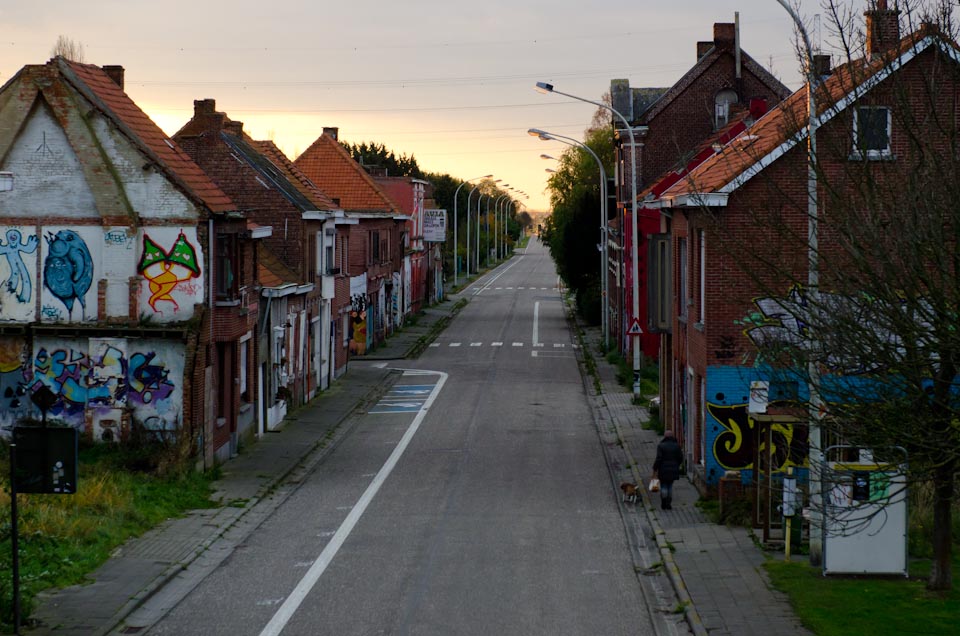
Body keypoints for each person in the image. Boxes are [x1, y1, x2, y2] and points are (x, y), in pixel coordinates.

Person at [652, 430, 683, 510]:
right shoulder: (677, 446)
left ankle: (663, 502)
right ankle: (669, 503)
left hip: (663, 469)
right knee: (670, 486)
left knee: (663, 485)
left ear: (665, 437)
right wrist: (677, 465)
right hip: (673, 470)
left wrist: (655, 467)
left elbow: (659, 458)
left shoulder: (661, 446)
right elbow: (680, 458)